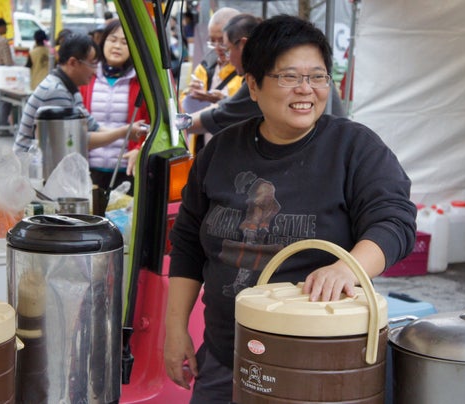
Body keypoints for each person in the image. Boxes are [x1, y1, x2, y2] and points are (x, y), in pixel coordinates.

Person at [163, 15, 417, 403]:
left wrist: (348, 266)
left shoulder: (353, 148)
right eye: (288, 77)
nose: (306, 89)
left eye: (317, 77)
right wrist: (176, 327)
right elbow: (187, 243)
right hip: (224, 356)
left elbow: (395, 221)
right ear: (253, 85)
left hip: (318, 363)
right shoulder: (221, 150)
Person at [184, 14, 347, 136]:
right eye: (290, 76)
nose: (305, 89)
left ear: (243, 45)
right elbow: (229, 108)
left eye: (227, 49)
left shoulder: (265, 72)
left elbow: (220, 115)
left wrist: (179, 124)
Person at [13, 33, 147, 156]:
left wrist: (127, 131)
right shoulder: (55, 91)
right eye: (92, 64)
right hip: (30, 169)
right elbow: (77, 140)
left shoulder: (72, 90)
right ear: (73, 63)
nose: (95, 70)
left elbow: (93, 127)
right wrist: (123, 132)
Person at [79, 19, 149, 193]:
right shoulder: (86, 78)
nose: (117, 46)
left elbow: (151, 124)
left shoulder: (142, 82)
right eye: (112, 39)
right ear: (102, 42)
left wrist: (140, 150)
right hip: (88, 168)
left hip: (126, 169)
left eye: (125, 42)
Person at [179, 7, 242, 153]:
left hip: (234, 151)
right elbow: (185, 109)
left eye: (222, 41)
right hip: (203, 149)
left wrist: (223, 101)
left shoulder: (249, 72)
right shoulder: (206, 67)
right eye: (212, 41)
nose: (217, 48)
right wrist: (191, 95)